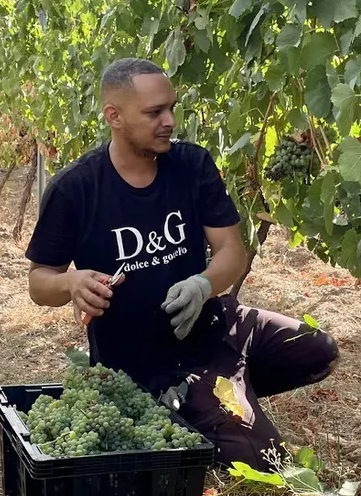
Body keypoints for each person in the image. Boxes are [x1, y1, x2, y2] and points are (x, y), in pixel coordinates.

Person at [25, 57, 338, 470]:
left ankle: (231, 391)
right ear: (114, 117)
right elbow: (38, 282)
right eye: (155, 112)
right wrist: (71, 283)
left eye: (171, 108)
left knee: (319, 351)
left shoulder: (191, 165)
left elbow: (232, 251)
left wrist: (203, 286)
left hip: (221, 325)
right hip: (154, 367)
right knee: (264, 462)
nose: (169, 121)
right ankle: (200, 404)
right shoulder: (76, 188)